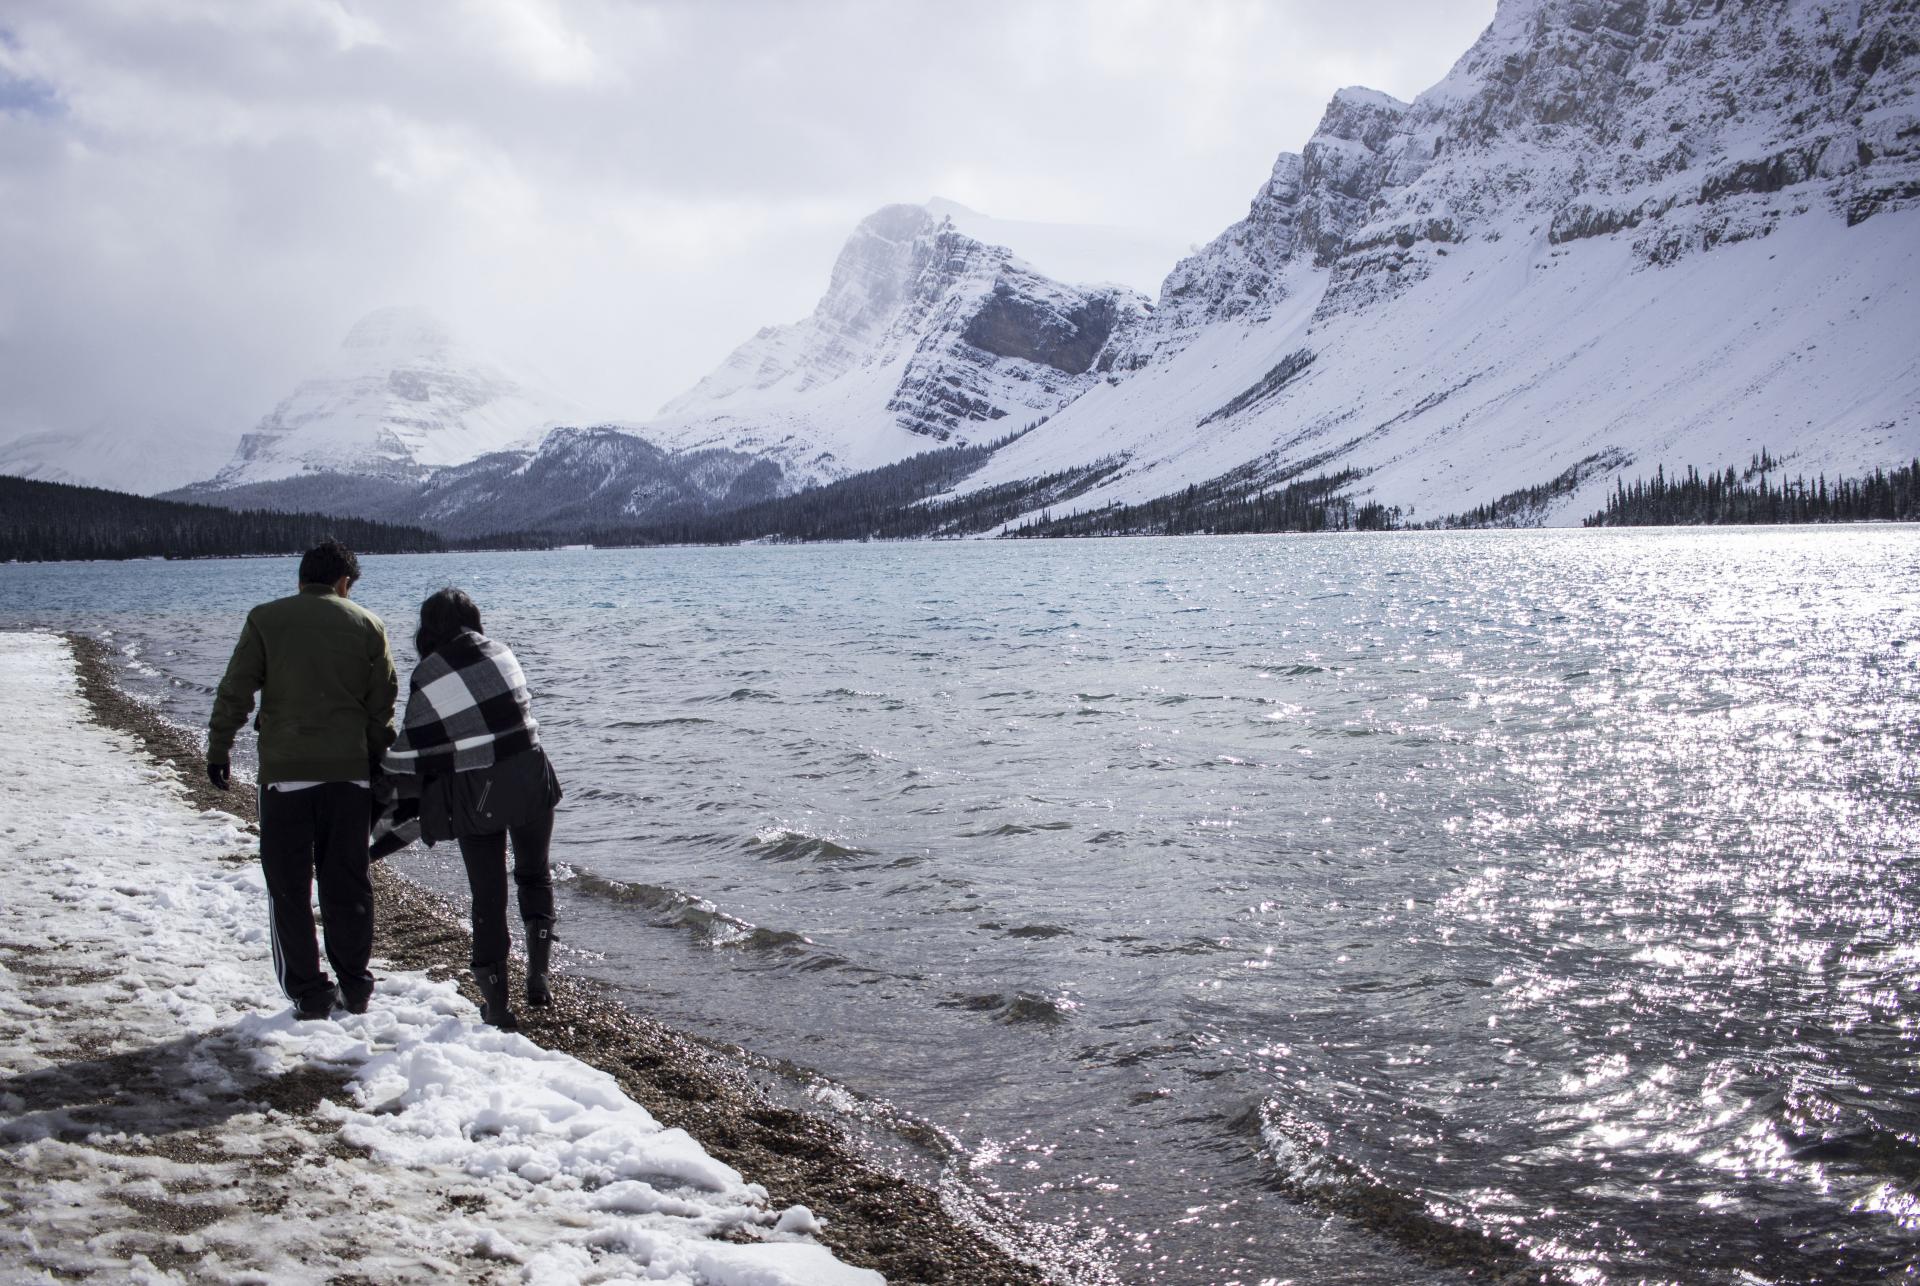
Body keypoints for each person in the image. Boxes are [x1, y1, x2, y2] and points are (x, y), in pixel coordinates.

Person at [207, 539, 398, 1020]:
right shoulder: (369, 625)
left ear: (301, 579)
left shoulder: (265, 619)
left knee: (289, 888)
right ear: (344, 582)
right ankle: (355, 986)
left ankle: (309, 993)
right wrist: (378, 763)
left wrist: (219, 748)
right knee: (348, 884)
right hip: (348, 778)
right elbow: (382, 708)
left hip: (285, 777)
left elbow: (236, 690)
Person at [371, 588, 562, 1031]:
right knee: (535, 875)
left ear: (428, 628)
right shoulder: (503, 651)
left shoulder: (429, 671)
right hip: (533, 777)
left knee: (489, 894)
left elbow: (414, 745)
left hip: (479, 793)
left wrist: (383, 774)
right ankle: (539, 978)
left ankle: (497, 1006)